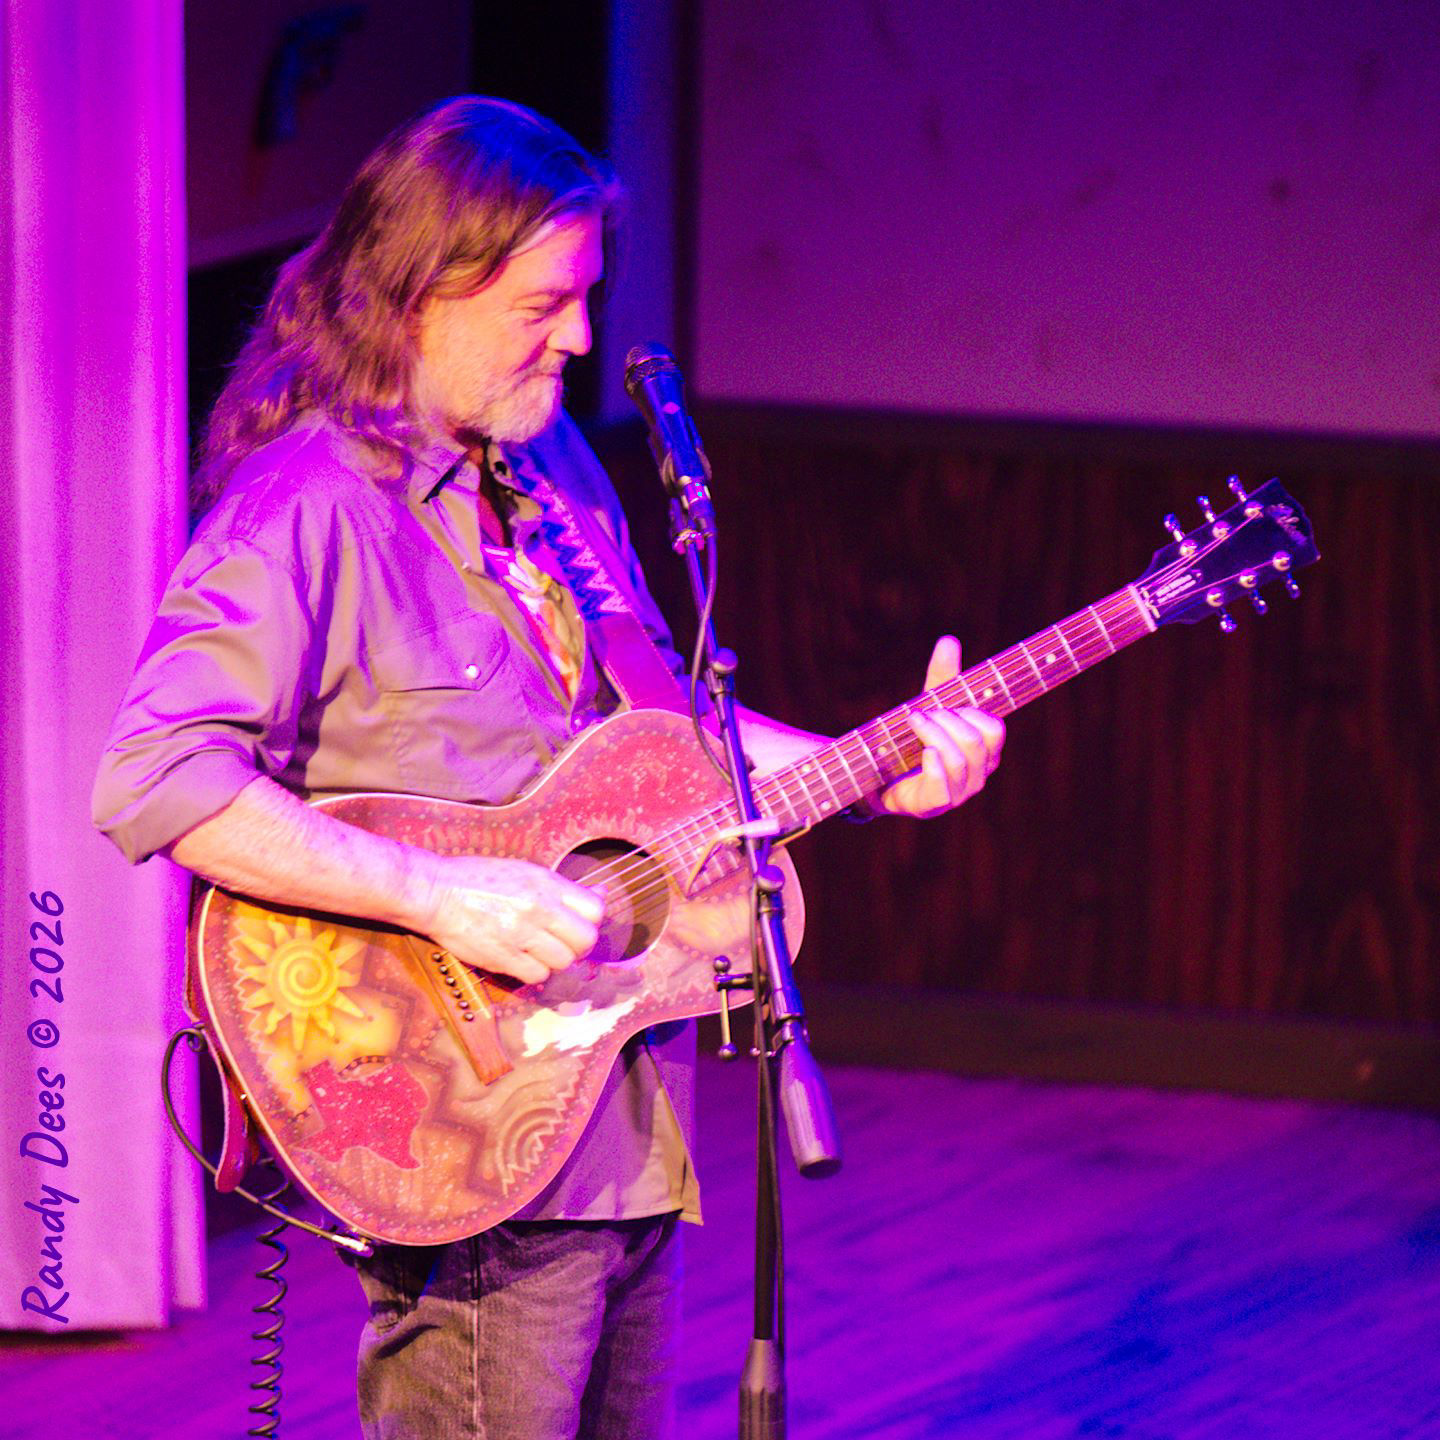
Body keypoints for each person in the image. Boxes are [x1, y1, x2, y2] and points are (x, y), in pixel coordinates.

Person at [92, 96, 1005, 1440]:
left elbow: (659, 720)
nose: (578, 337)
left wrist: (869, 768)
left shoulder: (553, 463)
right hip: (447, 1111)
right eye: (542, 303)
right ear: (420, 293)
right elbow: (157, 778)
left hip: (617, 1099)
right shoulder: (307, 512)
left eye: (582, 298)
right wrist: (441, 896)